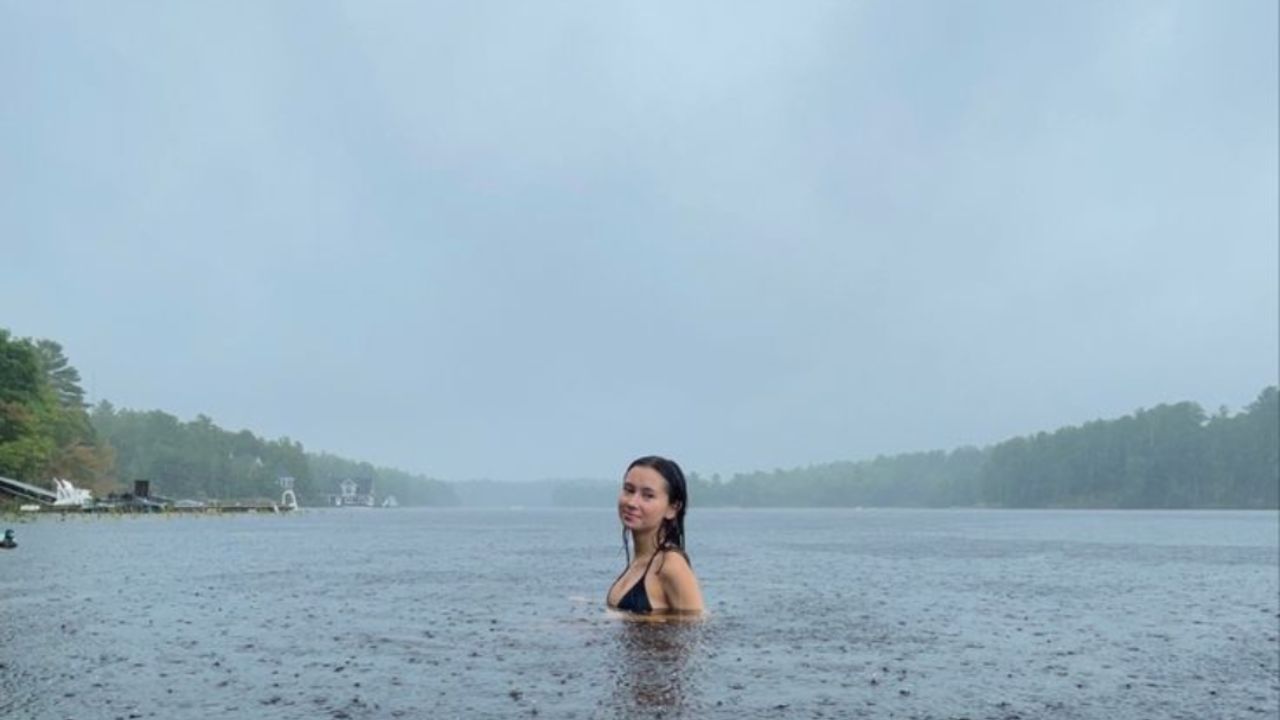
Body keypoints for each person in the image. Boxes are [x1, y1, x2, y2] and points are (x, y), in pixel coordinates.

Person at [606, 456, 703, 615]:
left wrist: (642, 620)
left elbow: (696, 629)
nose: (632, 503)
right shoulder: (639, 562)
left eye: (648, 495)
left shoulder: (670, 564)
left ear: (672, 508)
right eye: (629, 490)